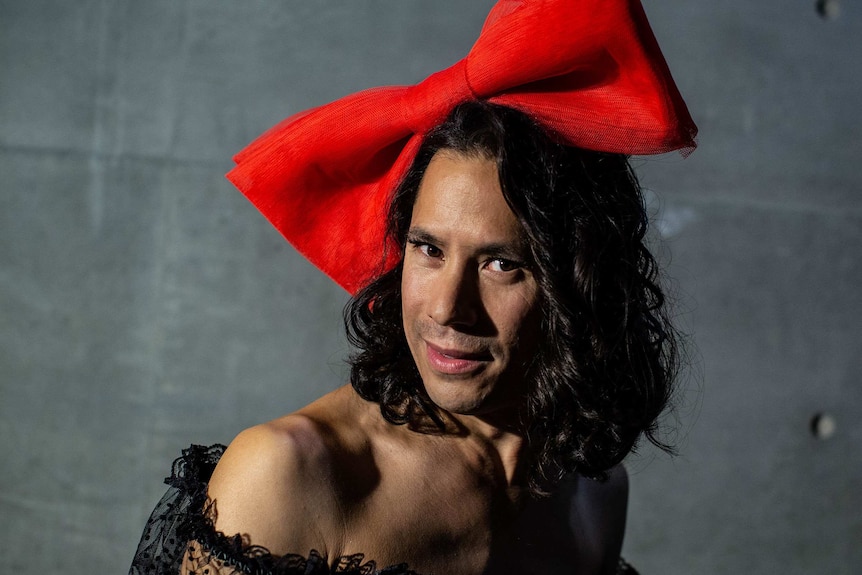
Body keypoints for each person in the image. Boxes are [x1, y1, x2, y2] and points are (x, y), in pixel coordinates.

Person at [130, 2, 697, 574]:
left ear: (582, 284)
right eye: (429, 250)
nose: (449, 309)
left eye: (500, 264)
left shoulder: (593, 495)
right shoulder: (290, 475)